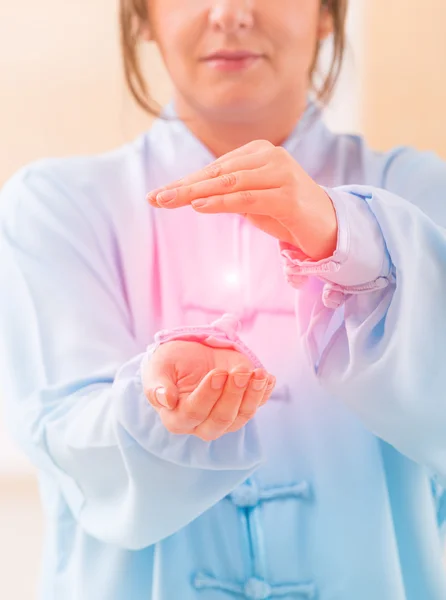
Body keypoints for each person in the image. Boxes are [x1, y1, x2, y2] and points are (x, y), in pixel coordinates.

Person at [1, 0, 446, 598]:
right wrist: (153, 407)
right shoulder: (56, 206)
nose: (230, 12)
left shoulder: (420, 195)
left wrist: (350, 239)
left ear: (327, 13)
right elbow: (75, 449)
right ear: (143, 17)